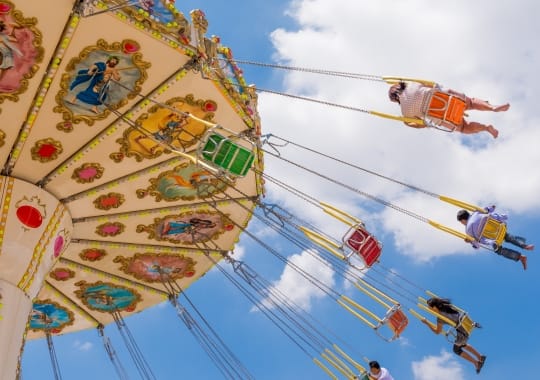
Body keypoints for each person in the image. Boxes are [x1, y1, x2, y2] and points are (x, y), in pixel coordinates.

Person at [388, 81, 509, 138]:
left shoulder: (405, 112)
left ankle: (486, 128)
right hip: (449, 99)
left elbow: (417, 124)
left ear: (395, 100)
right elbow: (431, 84)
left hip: (443, 117)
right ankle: (492, 107)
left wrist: (412, 123)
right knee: (471, 102)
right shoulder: (412, 84)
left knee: (464, 128)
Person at [421, 297, 486, 374]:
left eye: (429, 307)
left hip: (463, 332)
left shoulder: (440, 318)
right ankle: (480, 356)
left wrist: (427, 323)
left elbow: (437, 331)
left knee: (456, 349)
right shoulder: (447, 307)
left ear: (434, 307)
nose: (429, 309)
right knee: (461, 344)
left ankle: (476, 362)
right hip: (467, 324)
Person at [457, 206, 534, 270]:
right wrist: (491, 207)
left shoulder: (468, 231)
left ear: (463, 220)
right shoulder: (476, 212)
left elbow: (476, 246)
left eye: (461, 222)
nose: (462, 224)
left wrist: (469, 241)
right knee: (507, 236)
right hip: (499, 228)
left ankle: (520, 257)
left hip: (491, 239)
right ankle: (525, 246)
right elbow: (490, 208)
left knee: (498, 250)